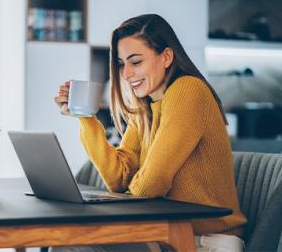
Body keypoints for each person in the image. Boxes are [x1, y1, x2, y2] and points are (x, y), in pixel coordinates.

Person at [54, 14, 247, 252]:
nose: (125, 74)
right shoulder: (144, 108)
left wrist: (131, 188)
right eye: (122, 63)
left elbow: (149, 187)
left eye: (135, 62)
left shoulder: (188, 90)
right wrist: (84, 117)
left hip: (207, 241)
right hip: (164, 234)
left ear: (166, 57)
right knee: (68, 243)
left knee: (72, 245)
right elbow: (117, 179)